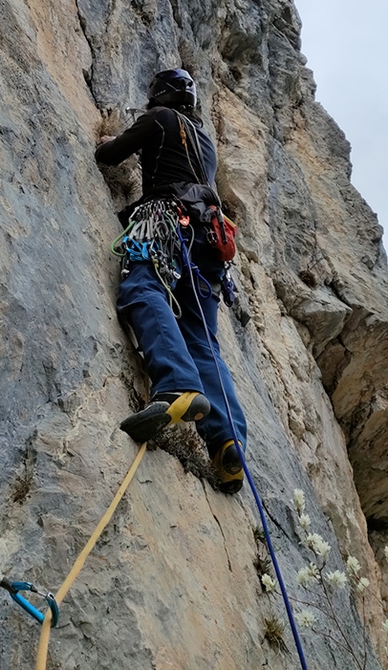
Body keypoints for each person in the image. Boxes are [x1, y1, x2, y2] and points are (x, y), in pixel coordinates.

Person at [95, 69, 247, 493]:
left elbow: (109, 156)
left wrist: (103, 139)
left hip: (167, 221)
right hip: (211, 242)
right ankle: (227, 442)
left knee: (143, 287)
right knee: (202, 339)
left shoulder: (160, 119)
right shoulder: (206, 143)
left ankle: (177, 386)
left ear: (159, 95)